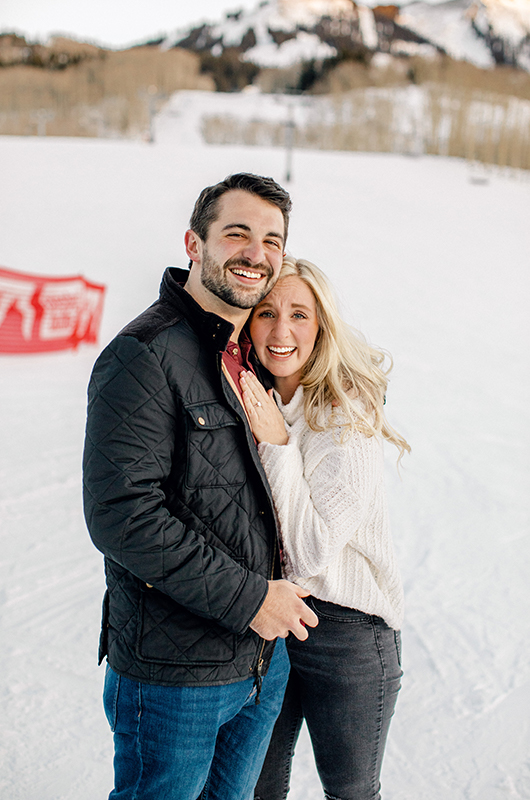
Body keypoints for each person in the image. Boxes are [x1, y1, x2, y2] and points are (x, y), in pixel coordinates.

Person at [82, 174, 318, 800]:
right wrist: (250, 600)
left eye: (272, 240)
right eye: (236, 233)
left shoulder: (251, 358)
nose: (256, 253)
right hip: (175, 675)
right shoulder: (145, 353)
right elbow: (122, 514)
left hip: (259, 666)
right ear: (194, 242)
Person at [238, 256, 410, 800]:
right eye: (266, 313)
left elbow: (310, 552)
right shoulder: (259, 400)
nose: (281, 331)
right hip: (272, 622)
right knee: (256, 786)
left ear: (322, 326)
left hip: (349, 633)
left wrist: (279, 445)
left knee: (351, 793)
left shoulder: (345, 415)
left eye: (299, 315)